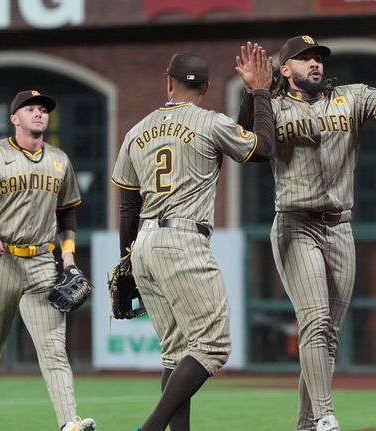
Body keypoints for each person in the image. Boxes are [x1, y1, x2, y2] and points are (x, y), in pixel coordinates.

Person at [235, 31, 376, 431]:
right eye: (305, 58)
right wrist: (253, 93)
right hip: (295, 224)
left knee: (328, 335)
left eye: (318, 56)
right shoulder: (272, 104)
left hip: (340, 226)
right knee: (315, 320)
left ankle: (306, 424)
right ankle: (325, 417)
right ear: (285, 70)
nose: (316, 63)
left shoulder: (349, 97)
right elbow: (248, 146)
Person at [111, 48, 275, 431]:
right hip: (182, 238)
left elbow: (127, 207)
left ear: (168, 82)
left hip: (145, 242)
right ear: (206, 87)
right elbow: (261, 148)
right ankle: (149, 429)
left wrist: (126, 259)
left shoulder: (137, 131)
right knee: (212, 346)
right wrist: (262, 92)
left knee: (175, 354)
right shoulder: (210, 122)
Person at [0, 90, 95, 431]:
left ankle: (69, 423)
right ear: (14, 118)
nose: (39, 113)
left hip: (41, 265)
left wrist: (68, 257)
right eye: (30, 109)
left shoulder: (60, 160)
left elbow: (68, 216)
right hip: (0, 262)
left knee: (53, 350)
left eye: (44, 109)